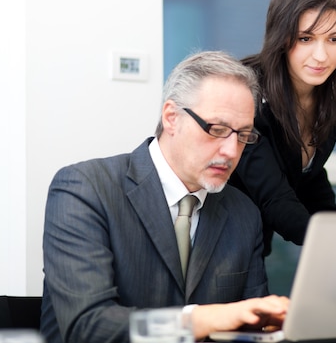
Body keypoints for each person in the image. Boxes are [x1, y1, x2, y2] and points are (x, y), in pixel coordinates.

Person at [41, 51, 290, 343]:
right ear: (171, 118)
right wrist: (206, 318)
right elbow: (90, 327)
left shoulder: (242, 213)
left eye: (243, 135)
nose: (231, 151)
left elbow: (252, 331)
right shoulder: (85, 189)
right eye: (217, 130)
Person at [229, 0, 336, 254]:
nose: (322, 56)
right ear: (282, 35)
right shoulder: (246, 90)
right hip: (218, 238)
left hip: (257, 242)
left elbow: (308, 175)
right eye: (306, 38)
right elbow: (273, 195)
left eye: (334, 39)